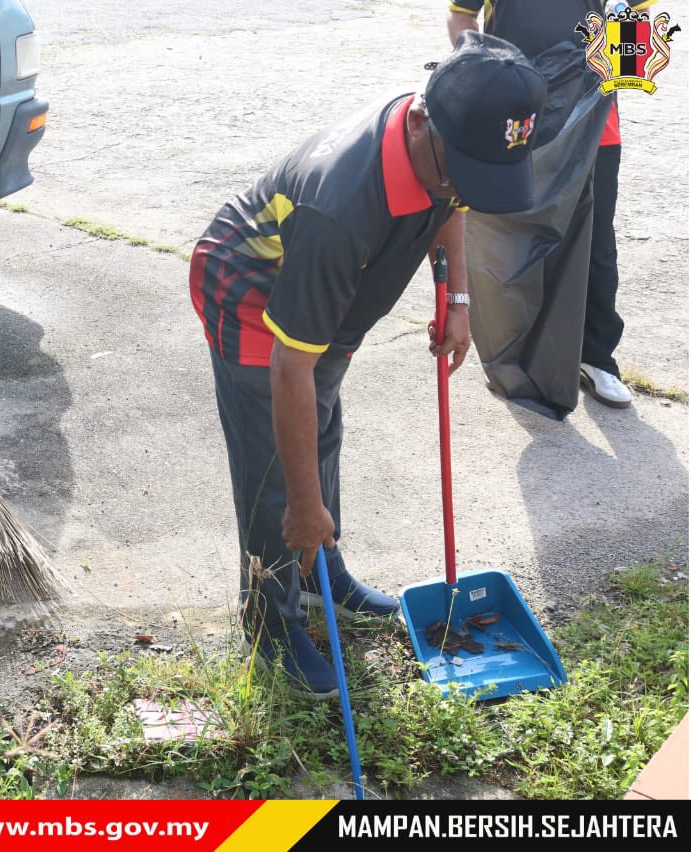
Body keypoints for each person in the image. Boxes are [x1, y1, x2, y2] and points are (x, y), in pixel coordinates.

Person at [190, 32, 546, 697]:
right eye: (461, 172)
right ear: (421, 124)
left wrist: (458, 295)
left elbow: (453, 202)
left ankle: (327, 575)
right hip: (248, 287)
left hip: (333, 297)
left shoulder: (447, 143)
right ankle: (269, 622)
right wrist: (302, 506)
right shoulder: (342, 207)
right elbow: (288, 373)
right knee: (277, 471)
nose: (464, 189)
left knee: (321, 430)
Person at [447, 0, 656, 409]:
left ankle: (596, 358)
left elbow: (636, 13)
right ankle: (511, 358)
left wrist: (614, 73)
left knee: (596, 243)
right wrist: (481, 75)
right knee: (513, 239)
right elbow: (460, 14)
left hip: (592, 119)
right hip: (515, 112)